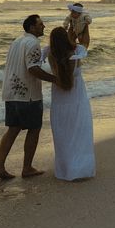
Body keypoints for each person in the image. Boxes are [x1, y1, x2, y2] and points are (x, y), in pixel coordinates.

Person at [0, 14, 57, 180]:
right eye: (40, 24)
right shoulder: (33, 43)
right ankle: (27, 168)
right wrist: (55, 80)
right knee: (34, 129)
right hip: (28, 95)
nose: (44, 26)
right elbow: (33, 69)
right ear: (31, 27)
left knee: (13, 129)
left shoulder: (17, 41)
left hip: (10, 91)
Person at [42, 26, 95, 181]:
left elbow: (35, 63)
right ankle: (81, 168)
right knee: (79, 132)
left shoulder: (50, 53)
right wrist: (84, 26)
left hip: (59, 99)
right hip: (77, 98)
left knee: (62, 134)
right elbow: (86, 41)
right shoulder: (76, 51)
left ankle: (65, 169)